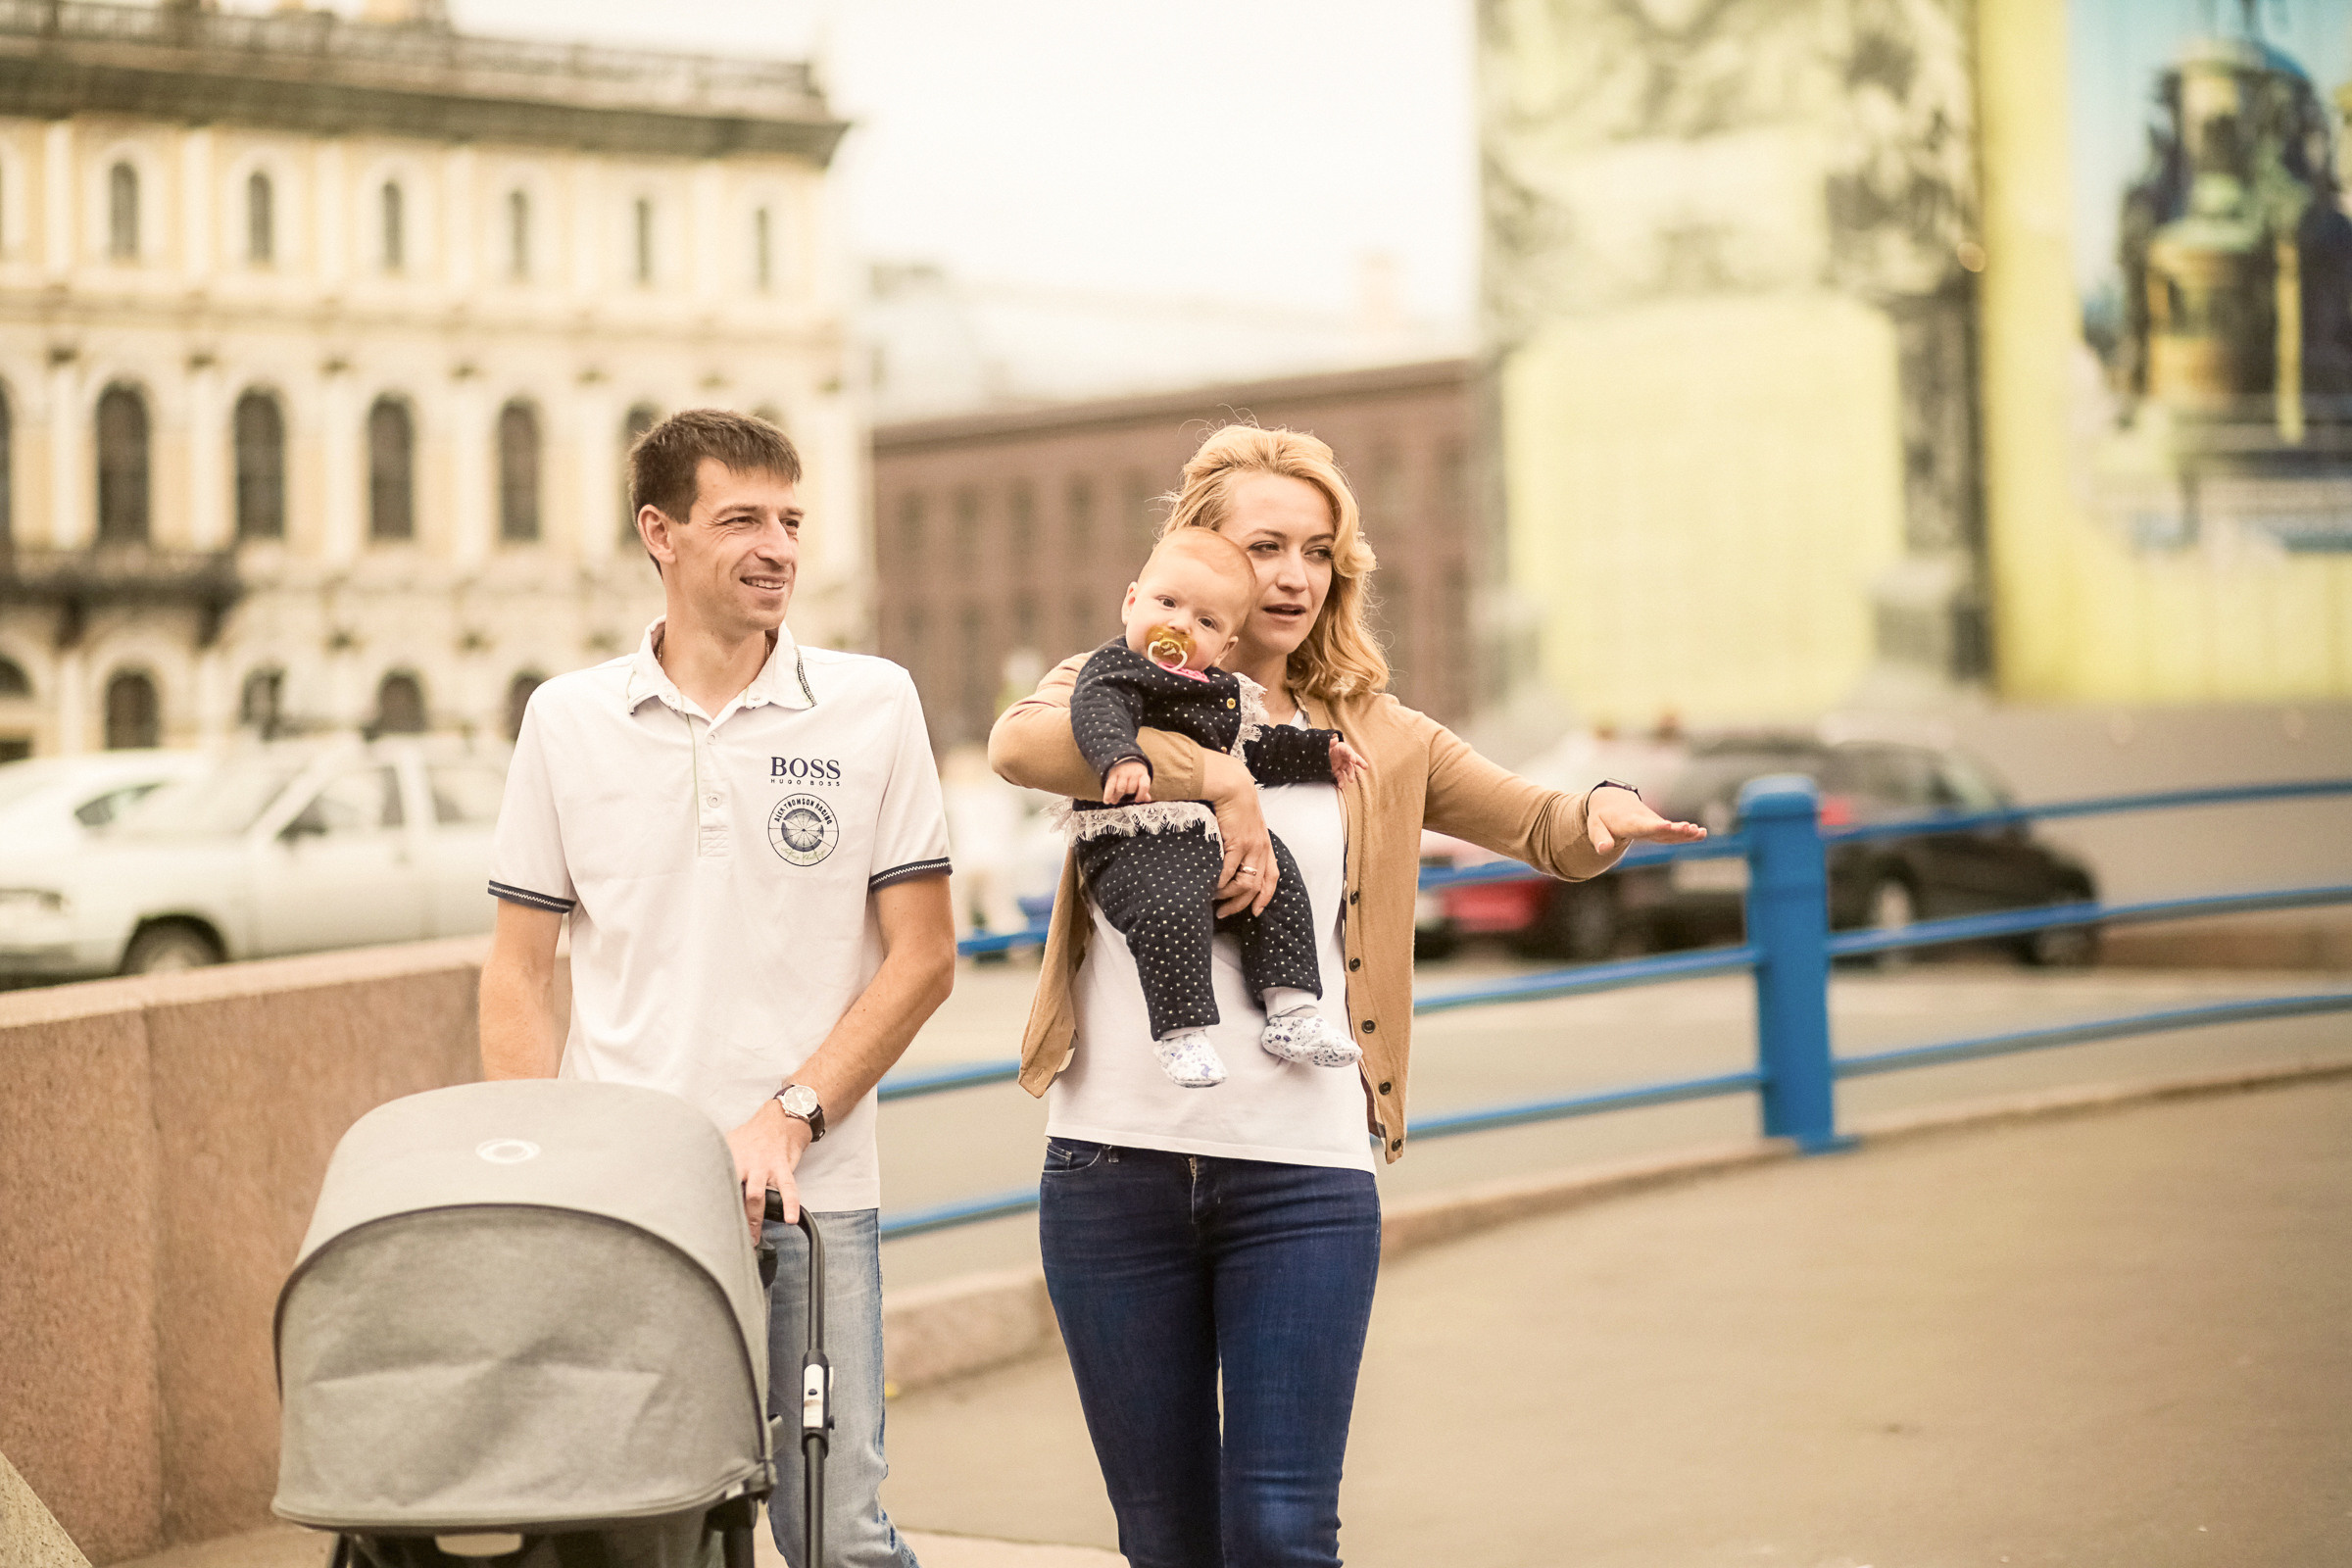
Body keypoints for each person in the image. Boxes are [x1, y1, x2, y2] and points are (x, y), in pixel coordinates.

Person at [989, 423, 1705, 1568]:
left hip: (1304, 1177)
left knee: (1279, 1533)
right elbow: (1021, 748)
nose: (1292, 576)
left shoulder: (1376, 734)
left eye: (1318, 551)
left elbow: (1541, 824)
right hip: (1111, 1166)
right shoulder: (1111, 685)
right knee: (1164, 1541)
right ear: (1197, 553)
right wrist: (1219, 772)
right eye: (1264, 544)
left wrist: (1603, 810)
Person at [479, 409, 954, 1568]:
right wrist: (537, 1166)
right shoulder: (566, 718)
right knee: (632, 1530)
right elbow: (518, 965)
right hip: (624, 1204)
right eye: (742, 517)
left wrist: (788, 1117)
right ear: (662, 533)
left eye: (792, 519)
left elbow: (925, 957)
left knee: (835, 1531)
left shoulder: (873, 704)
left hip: (814, 1202)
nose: (779, 545)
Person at [1064, 527, 1364, 1087]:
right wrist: (1122, 757)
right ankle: (1180, 1035)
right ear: (1132, 601)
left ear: (1225, 646)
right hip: (1134, 834)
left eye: (1206, 622)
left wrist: (1321, 753)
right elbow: (1096, 712)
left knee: (1279, 882)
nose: (1180, 625)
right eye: (1167, 603)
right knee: (1169, 909)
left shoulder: (1216, 689)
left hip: (1208, 836)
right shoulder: (1114, 669)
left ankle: (1292, 1008)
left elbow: (1253, 747)